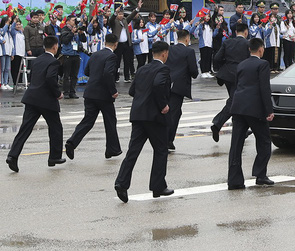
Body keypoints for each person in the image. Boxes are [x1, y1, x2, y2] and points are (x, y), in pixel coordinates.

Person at [114, 41, 173, 203]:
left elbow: (133, 91)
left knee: (133, 151)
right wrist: (163, 105)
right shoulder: (163, 69)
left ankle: (121, 183)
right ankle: (157, 186)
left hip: (139, 115)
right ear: (164, 53)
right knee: (161, 150)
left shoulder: (142, 69)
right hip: (155, 116)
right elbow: (158, 85)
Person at [6, 36, 65, 172]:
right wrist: (58, 94)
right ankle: (54, 157)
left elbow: (33, 77)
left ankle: (12, 155)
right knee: (55, 127)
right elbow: (50, 78)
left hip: (32, 97)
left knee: (25, 129)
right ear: (55, 47)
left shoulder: (37, 60)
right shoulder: (53, 62)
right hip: (46, 100)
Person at [227, 38, 275, 190]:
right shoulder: (263, 64)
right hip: (255, 109)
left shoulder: (242, 64)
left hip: (239, 107)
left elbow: (238, 85)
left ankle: (234, 180)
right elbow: (264, 88)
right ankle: (260, 174)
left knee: (236, 144)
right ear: (261, 49)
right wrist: (269, 110)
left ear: (249, 49)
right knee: (264, 141)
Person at [65, 34, 121, 160]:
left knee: (88, 121)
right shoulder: (111, 56)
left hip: (90, 92)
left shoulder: (95, 54)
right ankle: (112, 149)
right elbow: (108, 73)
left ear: (105, 42)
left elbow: (86, 72)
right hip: (103, 94)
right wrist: (113, 90)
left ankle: (72, 142)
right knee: (110, 122)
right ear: (116, 44)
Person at [210, 23, 250, 142]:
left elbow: (217, 58)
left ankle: (241, 129)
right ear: (246, 32)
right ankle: (217, 124)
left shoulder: (227, 42)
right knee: (235, 101)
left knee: (237, 101)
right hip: (240, 75)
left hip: (227, 75)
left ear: (236, 32)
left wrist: (225, 66)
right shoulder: (248, 44)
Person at [165, 30, 199, 151]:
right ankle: (167, 140)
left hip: (167, 83)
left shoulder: (169, 48)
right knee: (174, 113)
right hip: (179, 86)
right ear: (187, 38)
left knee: (170, 112)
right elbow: (193, 70)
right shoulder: (189, 51)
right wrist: (195, 74)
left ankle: (167, 140)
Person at [108, 0, 142, 82]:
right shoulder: (114, 22)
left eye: (122, 14)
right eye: (119, 14)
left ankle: (127, 77)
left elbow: (132, 15)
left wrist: (138, 8)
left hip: (126, 44)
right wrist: (115, 13)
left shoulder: (125, 21)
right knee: (117, 61)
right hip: (118, 44)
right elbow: (111, 20)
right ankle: (116, 77)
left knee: (127, 61)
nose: (121, 16)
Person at [59, 17, 86, 99]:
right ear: (68, 21)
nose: (75, 22)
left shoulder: (77, 29)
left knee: (74, 75)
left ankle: (72, 91)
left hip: (76, 54)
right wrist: (72, 32)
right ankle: (66, 92)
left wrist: (81, 33)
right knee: (67, 75)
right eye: (73, 20)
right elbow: (64, 40)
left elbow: (84, 40)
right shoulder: (64, 29)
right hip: (67, 54)